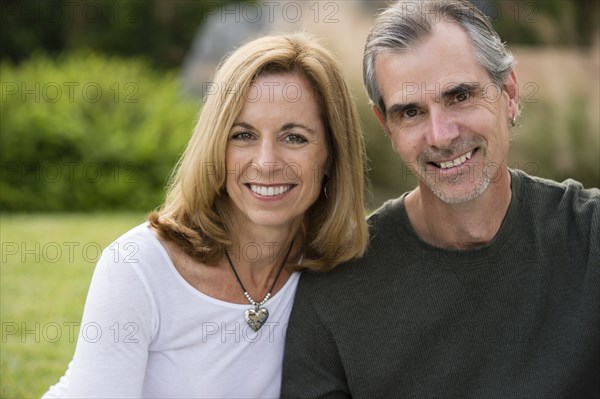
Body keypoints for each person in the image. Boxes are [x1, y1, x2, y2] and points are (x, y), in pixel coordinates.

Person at [281, 1, 600, 398]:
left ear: (510, 93)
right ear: (388, 128)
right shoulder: (335, 287)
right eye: (410, 112)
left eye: (460, 96)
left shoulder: (589, 237)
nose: (441, 135)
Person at [41, 32, 369, 398]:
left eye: (294, 138)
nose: (266, 162)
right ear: (215, 146)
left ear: (332, 156)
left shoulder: (334, 268)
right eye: (242, 135)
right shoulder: (137, 265)